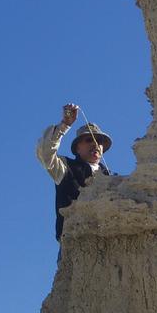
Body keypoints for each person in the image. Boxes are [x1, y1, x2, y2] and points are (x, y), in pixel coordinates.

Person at [36, 103, 112, 242]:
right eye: (89, 140)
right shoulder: (65, 167)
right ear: (77, 148)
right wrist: (65, 124)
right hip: (75, 240)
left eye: (99, 141)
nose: (95, 144)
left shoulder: (111, 178)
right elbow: (45, 153)